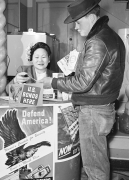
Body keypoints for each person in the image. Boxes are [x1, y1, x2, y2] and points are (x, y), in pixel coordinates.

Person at [39, 0, 126, 179]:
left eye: (78, 22)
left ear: (91, 17)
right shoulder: (112, 36)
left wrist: (52, 83)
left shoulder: (97, 41)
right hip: (103, 107)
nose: (76, 28)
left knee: (94, 167)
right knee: (96, 162)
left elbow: (83, 83)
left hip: (93, 111)